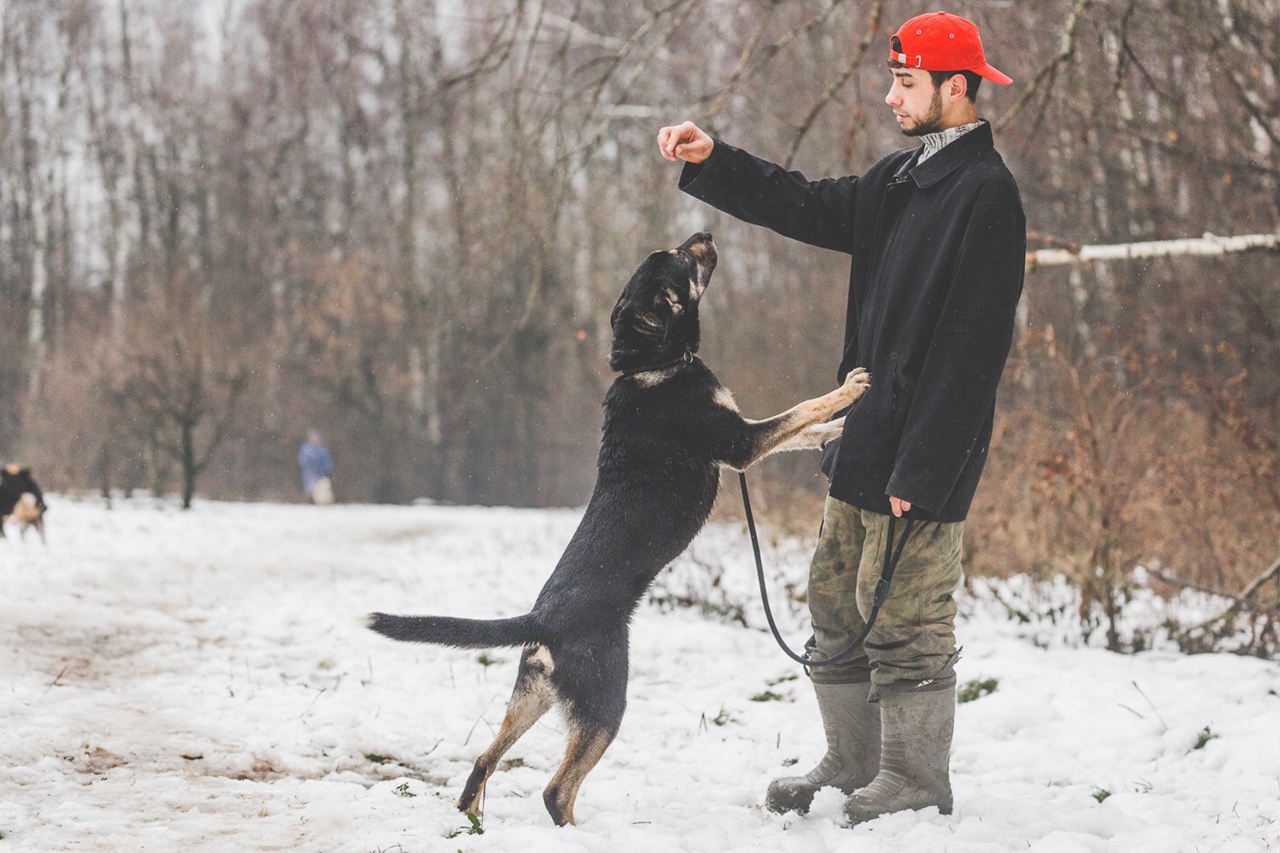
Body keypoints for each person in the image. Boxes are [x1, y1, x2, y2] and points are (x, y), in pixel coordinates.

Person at [657, 11, 1025, 824]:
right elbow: (804, 202)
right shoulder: (898, 181)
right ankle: (852, 761)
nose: (891, 95)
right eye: (893, 79)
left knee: (907, 615)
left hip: (922, 459)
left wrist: (923, 469)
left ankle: (915, 777)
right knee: (833, 599)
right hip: (861, 439)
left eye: (906, 82)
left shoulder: (986, 195)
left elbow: (972, 352)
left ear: (954, 88)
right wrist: (714, 160)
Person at [298, 430, 334, 504]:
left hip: (321, 474)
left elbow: (327, 463)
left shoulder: (322, 450)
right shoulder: (306, 449)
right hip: (309, 474)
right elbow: (304, 462)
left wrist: (324, 472)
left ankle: (324, 502)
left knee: (324, 487)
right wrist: (312, 474)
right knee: (310, 488)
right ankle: (308, 502)